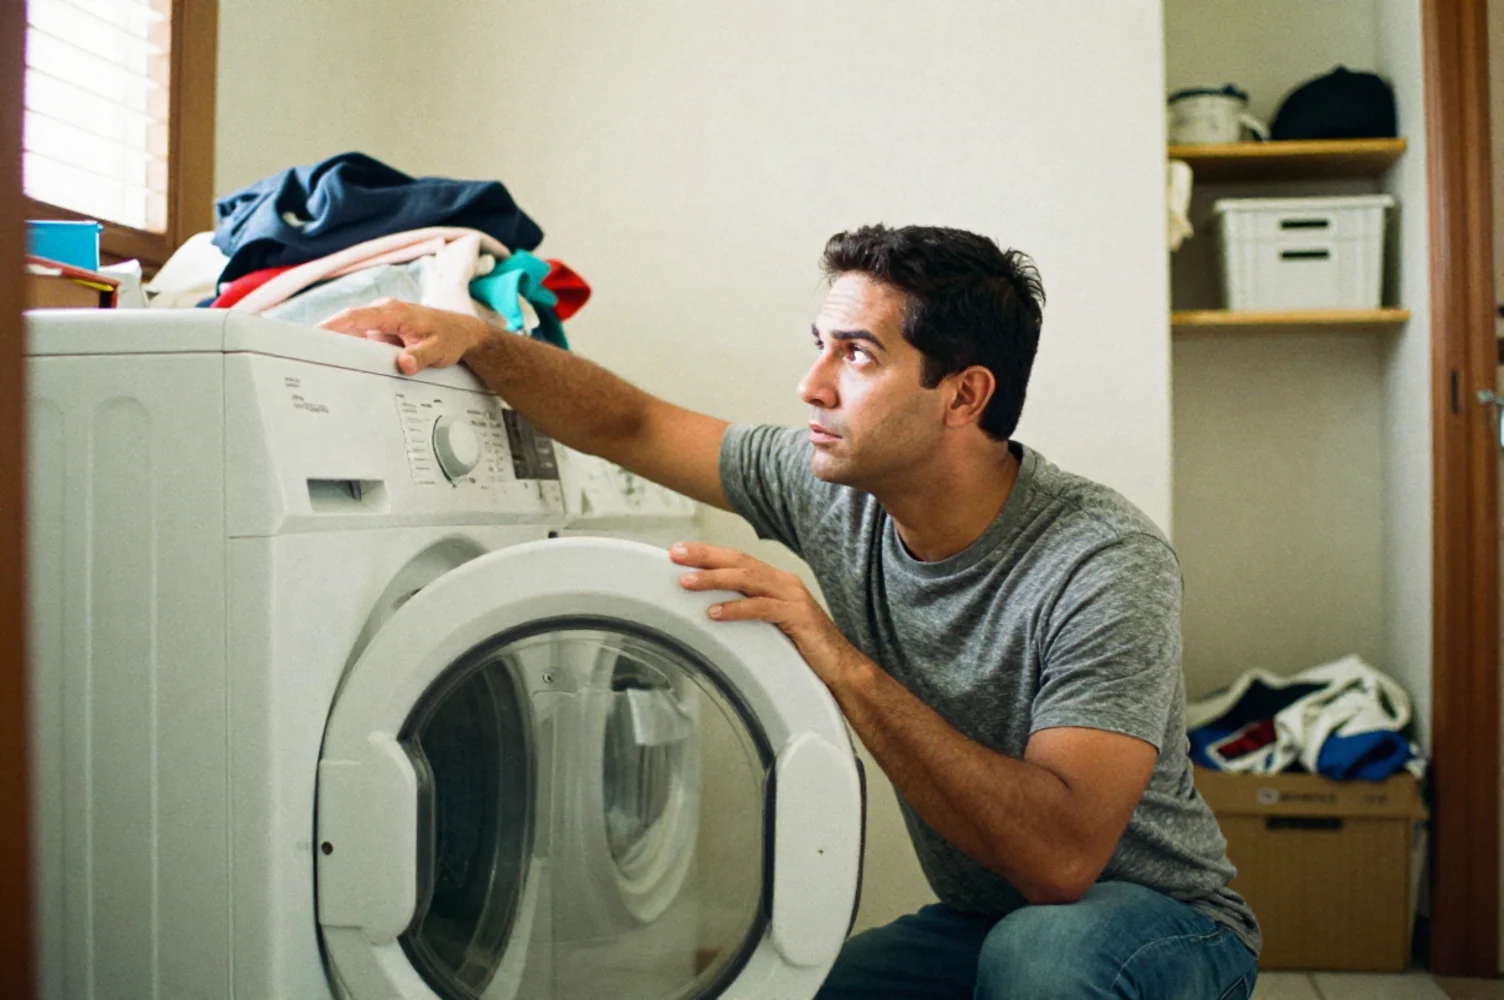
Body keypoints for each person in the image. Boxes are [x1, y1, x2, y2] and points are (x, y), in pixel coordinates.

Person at [321, 224, 1260, 999]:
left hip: (1155, 926)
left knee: (1044, 957)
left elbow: (1061, 864)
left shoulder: (1101, 562)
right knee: (809, 989)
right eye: (821, 345)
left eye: (857, 355)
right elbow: (634, 425)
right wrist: (479, 342)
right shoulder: (833, 489)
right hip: (983, 921)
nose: (813, 386)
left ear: (964, 395)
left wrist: (835, 656)